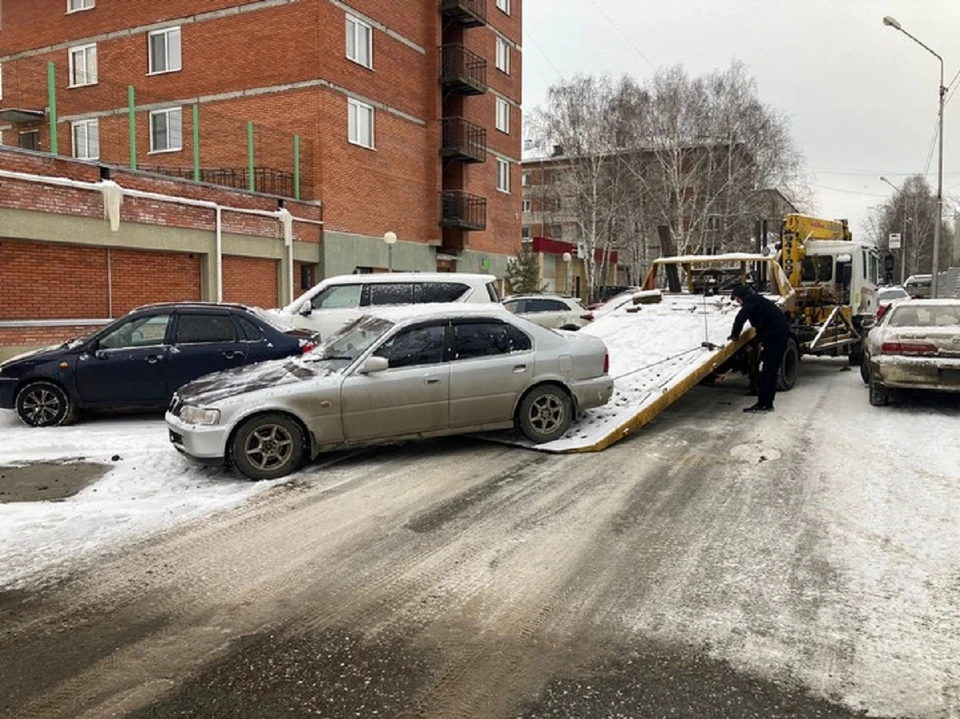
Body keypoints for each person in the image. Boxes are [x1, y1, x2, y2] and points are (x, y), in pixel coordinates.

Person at [728, 284, 791, 412]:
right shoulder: (758, 301)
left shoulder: (751, 302)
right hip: (776, 336)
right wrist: (752, 344)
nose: (737, 302)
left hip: (775, 339)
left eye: (737, 299)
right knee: (768, 371)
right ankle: (766, 403)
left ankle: (764, 405)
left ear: (742, 297)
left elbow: (740, 319)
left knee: (767, 372)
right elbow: (763, 328)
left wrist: (734, 335)